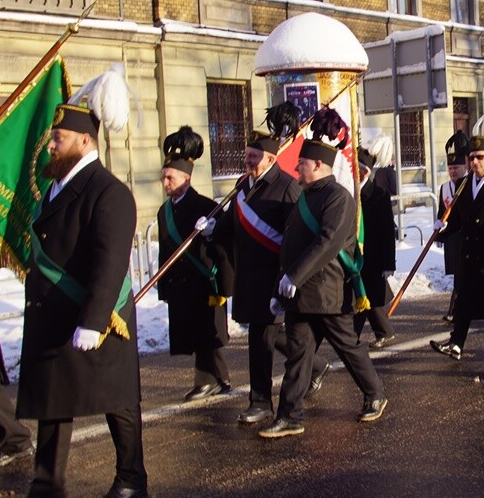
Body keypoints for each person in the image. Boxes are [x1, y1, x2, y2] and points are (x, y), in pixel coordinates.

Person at [2, 100, 147, 498]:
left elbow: (110, 261)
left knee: (117, 398)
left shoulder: (109, 191)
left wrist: (94, 320)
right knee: (53, 398)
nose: (51, 146)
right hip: (56, 313)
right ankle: (47, 487)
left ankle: (131, 478)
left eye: (58, 139)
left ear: (85, 141)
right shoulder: (55, 187)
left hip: (98, 316)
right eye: (52, 138)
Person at [199, 130, 330, 424]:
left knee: (261, 337)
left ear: (271, 159)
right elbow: (232, 222)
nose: (248, 161)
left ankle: (260, 402)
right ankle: (315, 365)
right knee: (265, 333)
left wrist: (291, 275)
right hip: (247, 272)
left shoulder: (287, 187)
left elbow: (298, 234)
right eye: (246, 155)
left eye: (254, 156)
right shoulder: (241, 186)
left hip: (274, 275)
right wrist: (212, 229)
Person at [259, 140, 387, 438]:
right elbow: (291, 246)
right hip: (300, 294)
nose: (296, 168)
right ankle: (289, 416)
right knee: (297, 357)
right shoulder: (305, 196)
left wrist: (294, 277)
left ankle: (375, 394)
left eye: (301, 163)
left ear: (317, 165)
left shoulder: (339, 197)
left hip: (327, 292)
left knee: (348, 348)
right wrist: (281, 287)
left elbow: (327, 242)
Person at [157, 126, 234, 402]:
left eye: (170, 178)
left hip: (203, 282)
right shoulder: (164, 211)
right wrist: (163, 287)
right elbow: (164, 251)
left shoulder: (206, 206)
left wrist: (224, 284)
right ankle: (221, 378)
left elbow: (223, 247)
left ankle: (206, 381)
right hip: (179, 282)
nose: (165, 183)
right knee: (195, 332)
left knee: (205, 332)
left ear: (186, 179)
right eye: (164, 177)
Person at [431, 135, 484, 359]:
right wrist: (444, 227)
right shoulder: (464, 185)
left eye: (480, 157)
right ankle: (456, 343)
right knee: (464, 299)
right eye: (472, 158)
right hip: (469, 252)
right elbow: (458, 219)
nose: (475, 162)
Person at [353, 148, 396, 349]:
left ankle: (351, 337)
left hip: (373, 256)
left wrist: (388, 264)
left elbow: (387, 232)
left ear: (366, 172)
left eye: (359, 169)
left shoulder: (379, 195)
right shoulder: (348, 193)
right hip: (353, 256)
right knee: (363, 296)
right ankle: (383, 331)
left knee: (367, 296)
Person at [437, 132, 468, 323]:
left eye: (456, 167)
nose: (453, 171)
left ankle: (456, 311)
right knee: (459, 276)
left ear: (464, 166)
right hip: (453, 238)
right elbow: (442, 211)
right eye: (450, 168)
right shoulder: (445, 188)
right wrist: (439, 230)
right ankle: (457, 310)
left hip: (468, 237)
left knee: (463, 277)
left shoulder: (469, 184)